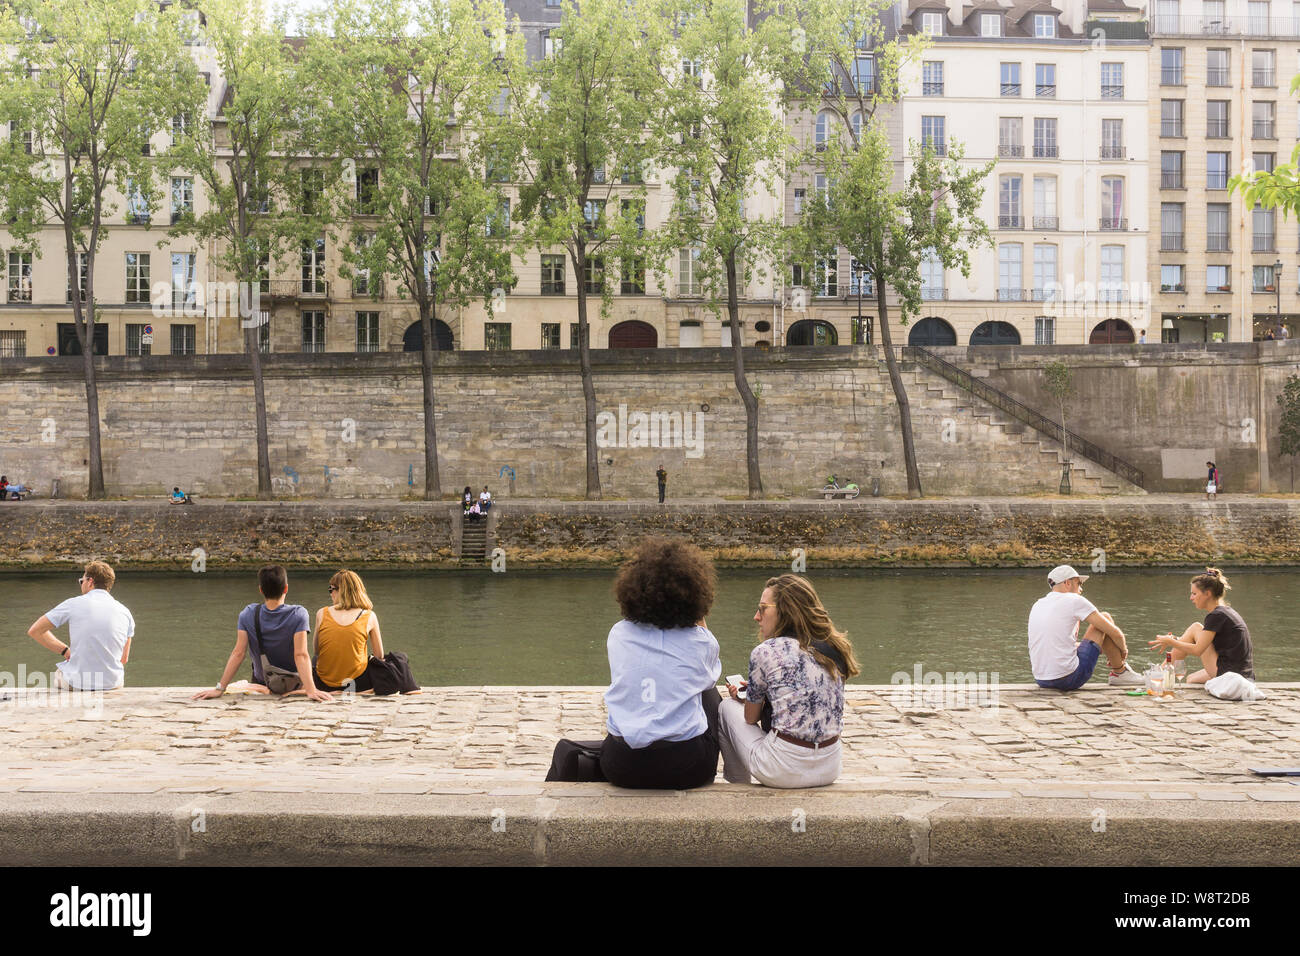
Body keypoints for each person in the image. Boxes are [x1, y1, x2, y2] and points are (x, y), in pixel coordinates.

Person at [600, 537, 721, 789]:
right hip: (686, 767)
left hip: (620, 765)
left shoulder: (618, 634)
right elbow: (708, 679)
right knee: (709, 692)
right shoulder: (701, 642)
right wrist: (697, 617)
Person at [719, 574, 858, 788]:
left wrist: (749, 698)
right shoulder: (834, 648)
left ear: (785, 610)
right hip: (830, 768)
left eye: (763, 608)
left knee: (726, 707)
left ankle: (739, 786)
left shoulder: (765, 651)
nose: (757, 616)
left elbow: (750, 717)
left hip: (783, 770)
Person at [191, 566, 331, 702]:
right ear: (286, 588)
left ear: (261, 590)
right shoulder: (299, 614)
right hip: (294, 683)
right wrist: (311, 690)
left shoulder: (248, 613)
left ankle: (262, 688)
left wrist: (219, 688)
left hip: (264, 681)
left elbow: (238, 653)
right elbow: (300, 655)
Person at [1028, 565, 1143, 689]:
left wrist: (1107, 648)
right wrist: (1123, 650)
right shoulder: (1074, 600)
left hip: (1042, 680)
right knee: (1105, 617)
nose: (1081, 589)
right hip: (1068, 678)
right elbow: (1116, 634)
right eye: (1079, 583)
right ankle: (1120, 672)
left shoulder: (1038, 604)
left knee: (1099, 633)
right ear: (1067, 583)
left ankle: (1119, 671)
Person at [26, 561, 134, 691]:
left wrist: (65, 650)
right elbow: (123, 658)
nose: (81, 585)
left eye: (81, 581)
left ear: (90, 581)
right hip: (113, 684)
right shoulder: (125, 612)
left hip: (79, 684)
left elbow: (35, 631)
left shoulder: (73, 604)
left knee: (59, 674)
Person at [1149, 568, 1254, 685]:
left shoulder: (1216, 615)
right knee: (1191, 679)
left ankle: (1158, 678)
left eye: (1194, 593)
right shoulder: (1226, 612)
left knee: (1196, 627)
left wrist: (1170, 642)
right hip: (1243, 675)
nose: (1191, 598)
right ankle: (1160, 676)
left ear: (1207, 594)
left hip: (1231, 674)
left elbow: (1198, 650)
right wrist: (1177, 640)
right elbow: (1207, 643)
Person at [312, 570, 385, 693]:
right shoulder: (369, 616)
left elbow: (317, 650)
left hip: (323, 684)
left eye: (331, 589)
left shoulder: (322, 613)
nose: (330, 594)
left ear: (341, 591)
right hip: (358, 683)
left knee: (315, 660)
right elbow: (379, 655)